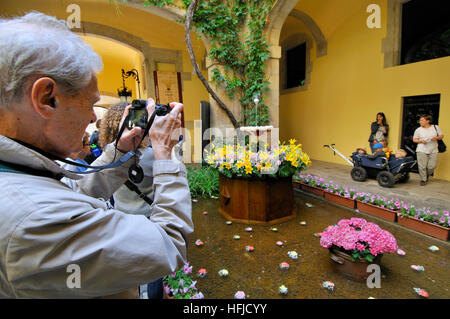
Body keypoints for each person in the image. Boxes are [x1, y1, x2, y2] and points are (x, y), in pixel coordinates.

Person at [0, 12, 192, 298]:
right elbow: (168, 244)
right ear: (46, 98)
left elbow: (75, 190)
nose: (93, 116)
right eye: (90, 103)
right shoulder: (36, 219)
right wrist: (166, 155)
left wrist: (121, 150)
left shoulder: (21, 172)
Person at [413, 114, 444, 186]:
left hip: (433, 149)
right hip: (421, 149)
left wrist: (436, 138)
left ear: (428, 121)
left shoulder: (435, 127)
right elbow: (414, 139)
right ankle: (423, 179)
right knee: (422, 166)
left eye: (422, 120)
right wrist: (421, 141)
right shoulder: (418, 130)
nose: (420, 122)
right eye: (420, 120)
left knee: (432, 166)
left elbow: (441, 136)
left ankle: (426, 174)